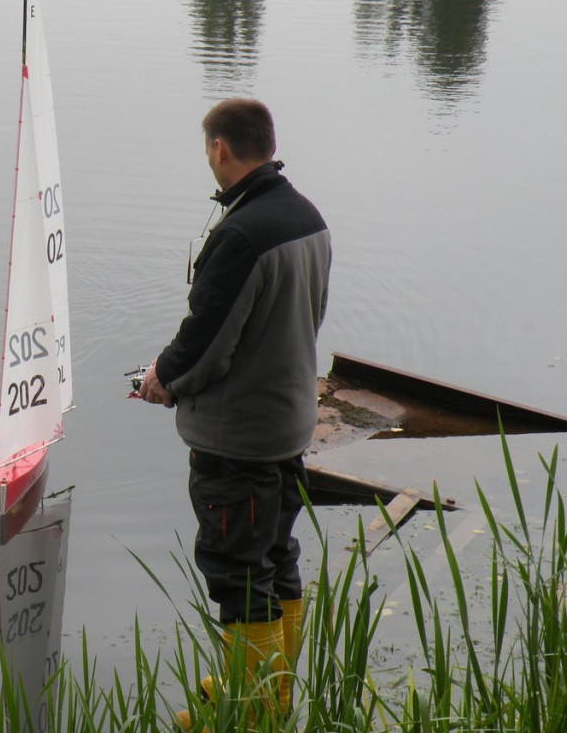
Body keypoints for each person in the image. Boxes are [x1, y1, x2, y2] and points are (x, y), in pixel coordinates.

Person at [138, 98, 331, 719]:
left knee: (237, 571)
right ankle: (271, 695)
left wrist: (162, 378)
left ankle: (251, 714)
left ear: (220, 149)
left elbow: (206, 339)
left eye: (207, 150)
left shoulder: (242, 234)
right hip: (288, 427)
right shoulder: (307, 216)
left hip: (238, 441)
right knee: (275, 557)